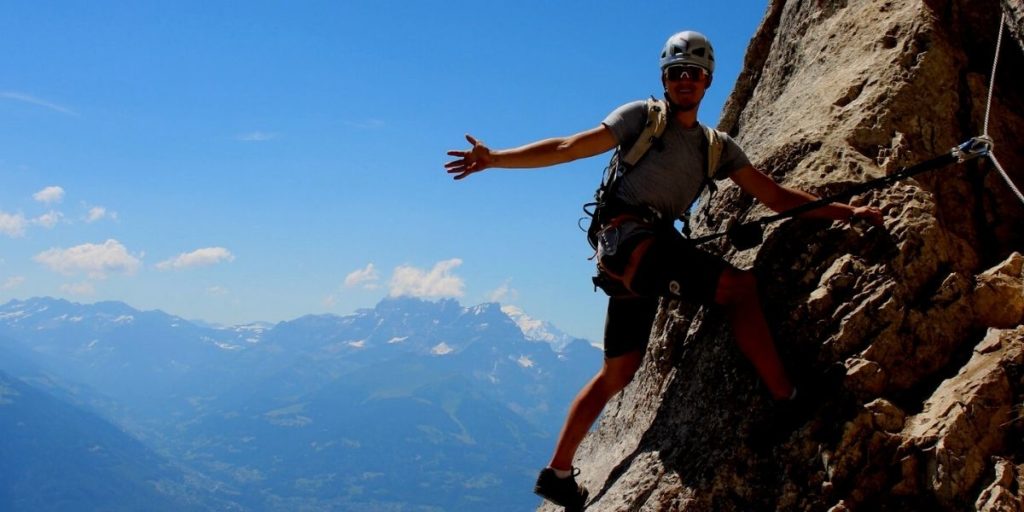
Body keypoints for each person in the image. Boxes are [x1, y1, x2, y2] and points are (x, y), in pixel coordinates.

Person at [444, 31, 883, 510]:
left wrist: (847, 212)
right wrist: (495, 159)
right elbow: (569, 146)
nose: (685, 80)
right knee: (738, 288)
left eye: (694, 73)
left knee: (618, 371)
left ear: (708, 80)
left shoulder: (716, 148)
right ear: (664, 79)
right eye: (676, 73)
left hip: (635, 258)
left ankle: (558, 473)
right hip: (634, 243)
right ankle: (787, 398)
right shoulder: (641, 117)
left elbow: (775, 196)